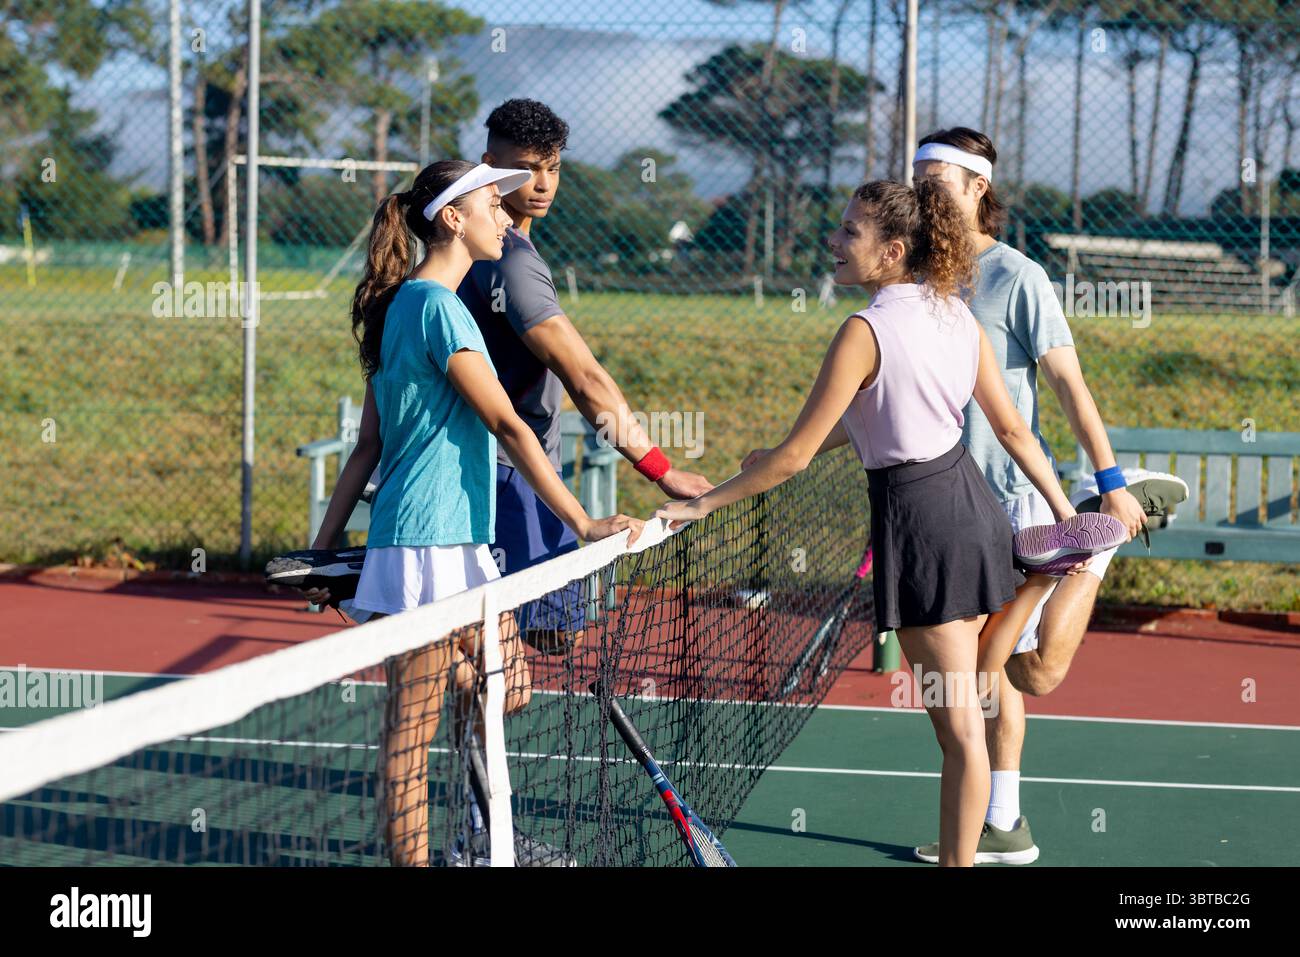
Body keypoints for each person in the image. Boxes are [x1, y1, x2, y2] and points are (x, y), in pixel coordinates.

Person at [657, 178, 1126, 866]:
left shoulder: (864, 329)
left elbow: (788, 461)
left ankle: (960, 862)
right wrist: (1060, 513)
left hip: (921, 525)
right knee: (973, 683)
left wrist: (700, 503)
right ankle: (1038, 579)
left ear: (893, 249)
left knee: (960, 730)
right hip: (974, 513)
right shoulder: (955, 316)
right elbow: (1007, 429)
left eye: (850, 231)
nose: (835, 241)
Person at [304, 159, 644, 866]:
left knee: (507, 685)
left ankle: (465, 810)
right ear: (454, 219)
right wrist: (584, 525)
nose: (505, 213)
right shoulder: (437, 309)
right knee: (409, 735)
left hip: (452, 542)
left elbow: (368, 447)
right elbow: (509, 425)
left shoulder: (399, 307)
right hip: (425, 544)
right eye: (493, 202)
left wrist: (323, 547)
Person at [910, 128, 1188, 864]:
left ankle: (1089, 555)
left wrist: (1111, 482)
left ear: (978, 188)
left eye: (937, 176)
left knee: (1027, 671)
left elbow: (1068, 384)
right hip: (940, 511)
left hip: (1009, 505)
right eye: (916, 176)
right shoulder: (910, 275)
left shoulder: (1017, 277)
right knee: (988, 674)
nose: (923, 188)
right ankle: (1004, 822)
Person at [457, 99, 712, 651]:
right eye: (527, 168)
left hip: (519, 471)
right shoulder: (513, 263)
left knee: (497, 644)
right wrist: (662, 472)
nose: (543, 183)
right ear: (490, 166)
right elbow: (585, 379)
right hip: (503, 475)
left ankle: (467, 727)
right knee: (513, 648)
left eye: (553, 167)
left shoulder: (482, 248)